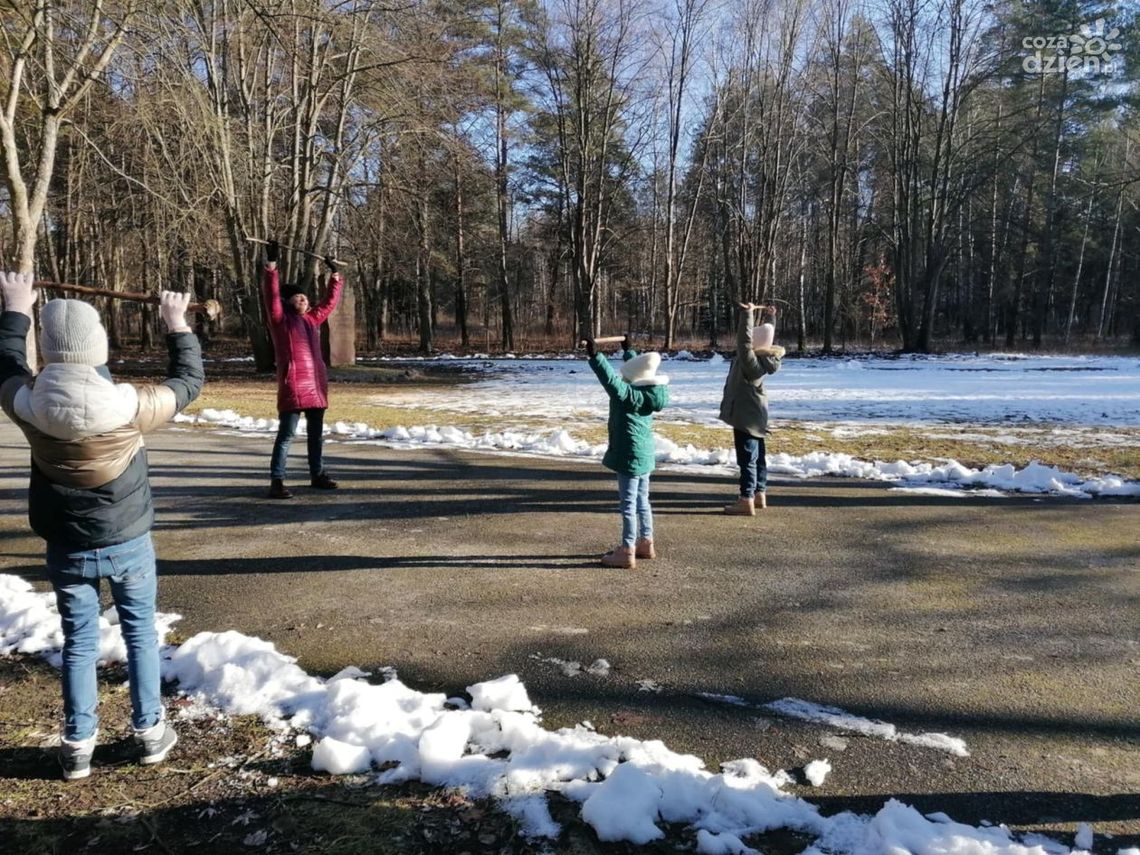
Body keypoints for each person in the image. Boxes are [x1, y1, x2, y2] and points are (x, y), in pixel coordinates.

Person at [0, 272, 204, 780]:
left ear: (48, 353)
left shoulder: (26, 404)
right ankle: (150, 732)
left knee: (79, 642)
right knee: (140, 635)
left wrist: (16, 308)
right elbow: (187, 382)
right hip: (128, 539)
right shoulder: (129, 406)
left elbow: (5, 364)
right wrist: (176, 323)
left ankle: (77, 746)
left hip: (67, 545)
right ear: (100, 350)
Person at [262, 239, 344, 499]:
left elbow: (329, 302)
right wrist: (271, 264)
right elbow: (271, 295)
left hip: (316, 388)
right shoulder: (280, 320)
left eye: (306, 297)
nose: (304, 299)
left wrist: (335, 275)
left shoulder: (312, 320)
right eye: (299, 297)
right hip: (294, 387)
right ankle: (277, 481)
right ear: (287, 301)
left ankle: (317, 474)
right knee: (286, 436)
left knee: (316, 436)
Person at [585, 336, 670, 569]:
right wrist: (628, 351)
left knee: (628, 505)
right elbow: (638, 371)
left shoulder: (628, 395)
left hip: (629, 455)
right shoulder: (649, 392)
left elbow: (611, 381)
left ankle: (627, 550)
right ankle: (646, 542)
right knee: (643, 501)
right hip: (645, 455)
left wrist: (596, 357)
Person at [718, 302, 784, 515]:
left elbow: (744, 342)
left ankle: (746, 499)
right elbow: (766, 335)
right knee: (758, 456)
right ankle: (759, 493)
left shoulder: (751, 362)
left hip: (745, 416)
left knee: (747, 459)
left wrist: (746, 314)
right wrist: (770, 318)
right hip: (756, 413)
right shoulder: (763, 359)